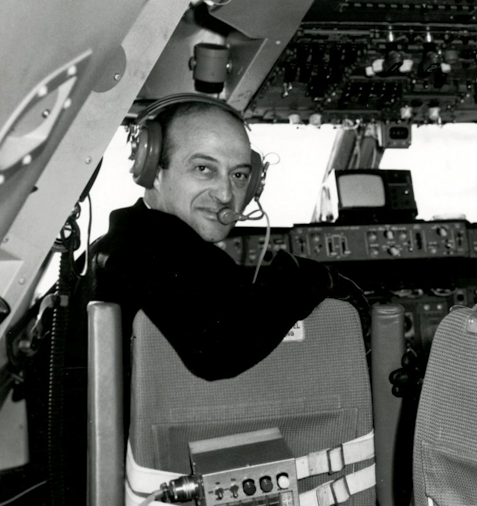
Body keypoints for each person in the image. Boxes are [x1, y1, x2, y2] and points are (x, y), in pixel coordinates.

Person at [72, 99, 369, 381]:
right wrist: (311, 277)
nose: (226, 195)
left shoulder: (114, 244)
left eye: (239, 175)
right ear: (152, 170)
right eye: (204, 169)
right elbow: (222, 347)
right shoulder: (160, 253)